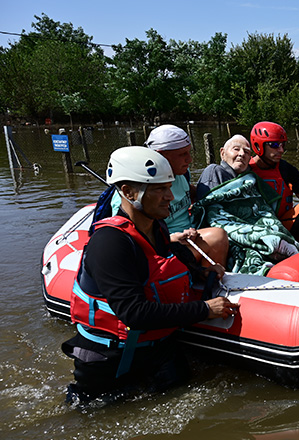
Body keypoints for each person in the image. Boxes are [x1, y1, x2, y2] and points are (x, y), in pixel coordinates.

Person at [62, 146, 239, 404]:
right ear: (128, 192)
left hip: (158, 348)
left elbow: (163, 260)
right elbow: (134, 313)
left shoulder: (156, 226)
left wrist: (201, 271)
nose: (170, 196)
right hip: (112, 358)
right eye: (159, 189)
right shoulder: (110, 243)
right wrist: (204, 309)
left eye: (169, 187)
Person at [143, 124, 229, 266]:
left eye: (189, 152)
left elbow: (193, 193)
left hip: (190, 236)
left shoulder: (180, 175)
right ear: (160, 155)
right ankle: (208, 283)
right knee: (218, 236)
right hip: (165, 247)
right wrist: (170, 238)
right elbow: (129, 237)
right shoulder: (139, 191)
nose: (189, 160)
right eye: (183, 154)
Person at [195, 134, 253, 200]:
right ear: (223, 153)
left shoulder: (251, 178)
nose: (242, 154)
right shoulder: (215, 172)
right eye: (236, 149)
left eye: (246, 152)